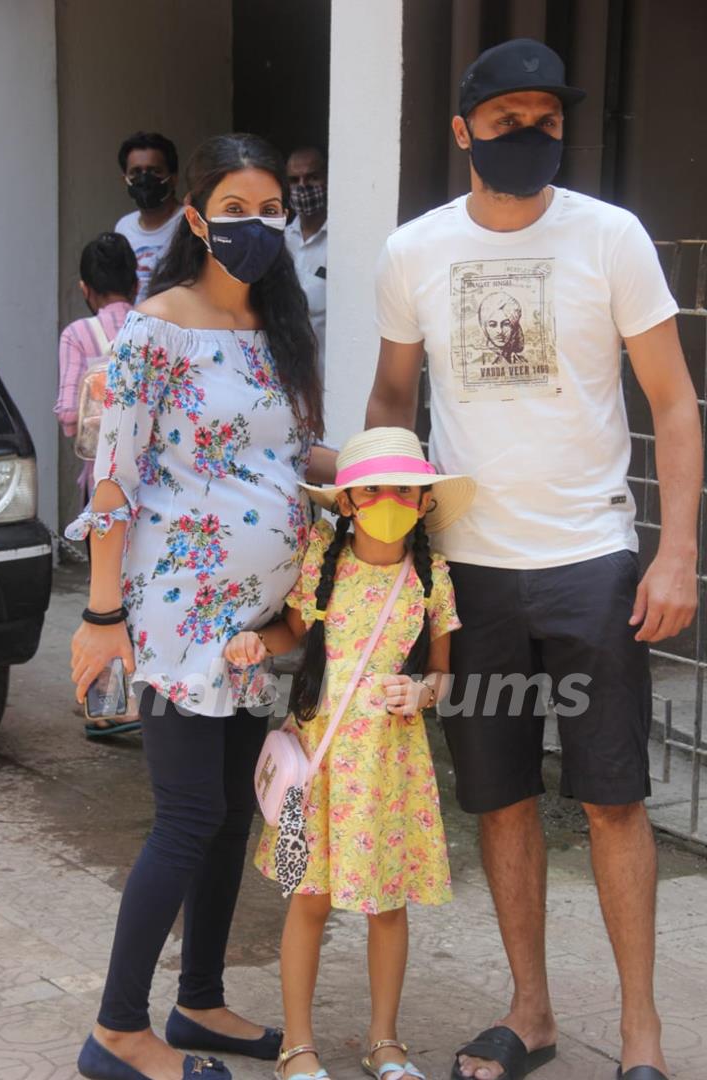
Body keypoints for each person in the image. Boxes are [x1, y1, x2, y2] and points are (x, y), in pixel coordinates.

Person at [367, 38, 701, 1080]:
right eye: (507, 120)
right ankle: (532, 1013)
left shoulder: (611, 238)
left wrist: (676, 550)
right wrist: (389, 530)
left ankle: (641, 1033)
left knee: (612, 797)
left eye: (547, 120)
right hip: (468, 572)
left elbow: (676, 402)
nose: (530, 136)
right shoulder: (414, 250)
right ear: (463, 129)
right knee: (500, 797)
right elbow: (390, 396)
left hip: (591, 559)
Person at [67, 132, 335, 1080]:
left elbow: (288, 455)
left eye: (271, 210)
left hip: (259, 631)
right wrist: (102, 618)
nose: (257, 225)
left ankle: (200, 1002)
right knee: (187, 816)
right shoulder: (155, 327)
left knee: (232, 816)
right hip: (179, 619)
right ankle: (115, 1029)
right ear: (196, 218)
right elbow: (116, 476)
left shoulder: (278, 328)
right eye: (237, 210)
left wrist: (390, 473)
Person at [225, 427, 473, 1080]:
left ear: (423, 503)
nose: (388, 499)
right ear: (347, 502)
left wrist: (419, 689)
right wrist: (257, 644)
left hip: (392, 771)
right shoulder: (320, 563)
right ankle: (296, 1047)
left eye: (403, 489)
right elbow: (290, 630)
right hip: (319, 762)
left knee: (386, 903)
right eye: (372, 489)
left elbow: (444, 678)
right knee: (306, 897)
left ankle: (385, 1042)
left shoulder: (433, 579)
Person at [55, 232, 139, 737]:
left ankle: (112, 705)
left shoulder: (78, 333)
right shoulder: (158, 323)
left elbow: (69, 412)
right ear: (136, 281)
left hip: (105, 489)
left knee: (106, 595)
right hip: (160, 488)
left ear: (86, 288)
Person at [115, 131, 184, 302]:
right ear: (125, 180)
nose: (144, 179)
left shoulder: (190, 223)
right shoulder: (124, 227)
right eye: (136, 172)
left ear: (174, 178)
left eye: (155, 171)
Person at [285, 147, 328, 380]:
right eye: (294, 180)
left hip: (329, 386)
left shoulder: (340, 244)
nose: (303, 186)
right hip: (287, 383)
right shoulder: (279, 242)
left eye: (312, 177)